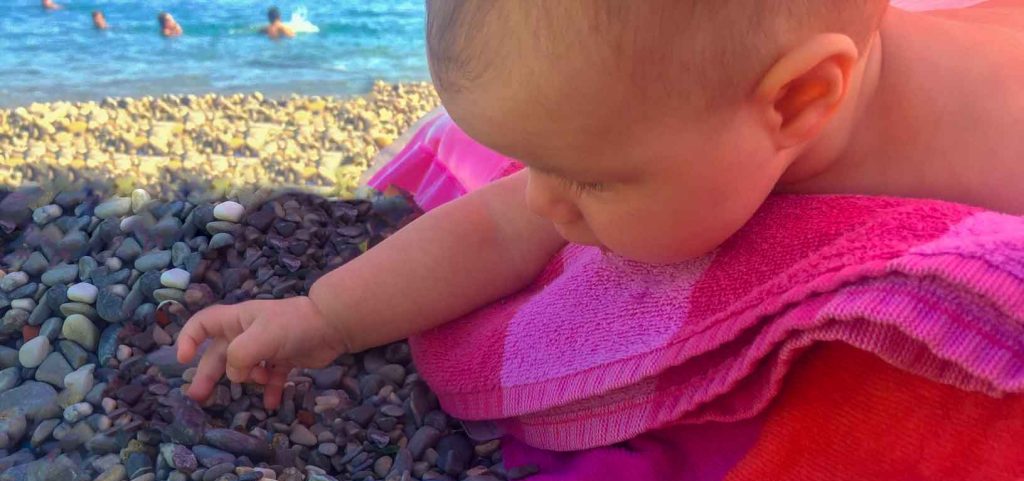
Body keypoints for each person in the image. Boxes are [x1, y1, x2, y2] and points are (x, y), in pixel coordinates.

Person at [178, 0, 1024, 410]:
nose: (548, 203)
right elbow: (502, 225)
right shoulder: (711, 106)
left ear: (800, 100)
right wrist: (326, 315)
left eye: (592, 180)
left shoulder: (992, 148)